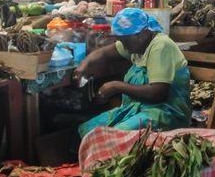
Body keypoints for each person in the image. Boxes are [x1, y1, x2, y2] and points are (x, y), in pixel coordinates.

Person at [75, 8, 191, 137]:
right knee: (87, 130)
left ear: (141, 34)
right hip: (137, 109)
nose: (123, 46)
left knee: (113, 136)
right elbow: (103, 53)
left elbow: (158, 93)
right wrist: (84, 66)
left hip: (165, 113)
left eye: (125, 41)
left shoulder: (161, 45)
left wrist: (115, 86)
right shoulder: (137, 45)